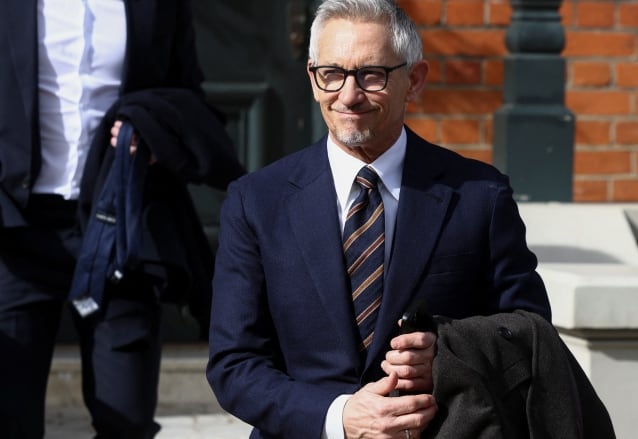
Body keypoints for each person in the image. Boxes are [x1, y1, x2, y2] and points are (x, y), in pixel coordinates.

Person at [206, 0, 551, 438]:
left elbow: (531, 333)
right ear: (312, 78)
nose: (348, 95)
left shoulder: (478, 195)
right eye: (331, 73)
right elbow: (234, 365)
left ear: (415, 80)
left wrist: (446, 355)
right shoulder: (256, 201)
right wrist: (340, 417)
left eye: (372, 75)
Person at [0, 1, 242, 438]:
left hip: (120, 227)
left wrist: (154, 134)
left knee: (126, 420)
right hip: (16, 232)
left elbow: (190, 98)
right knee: (8, 417)